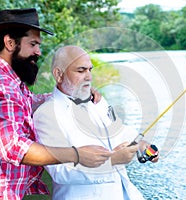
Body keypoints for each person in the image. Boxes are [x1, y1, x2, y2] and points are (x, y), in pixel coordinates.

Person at [0, 8, 111, 200]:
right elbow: (13, 146)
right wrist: (77, 155)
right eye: (33, 44)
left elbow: (28, 103)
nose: (38, 52)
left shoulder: (7, 79)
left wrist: (74, 92)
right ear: (10, 43)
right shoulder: (0, 86)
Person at [33, 45, 159, 200]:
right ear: (59, 74)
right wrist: (112, 161)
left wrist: (141, 144)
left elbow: (118, 130)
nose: (89, 77)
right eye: (81, 70)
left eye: (90, 70)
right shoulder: (46, 114)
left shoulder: (98, 101)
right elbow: (60, 172)